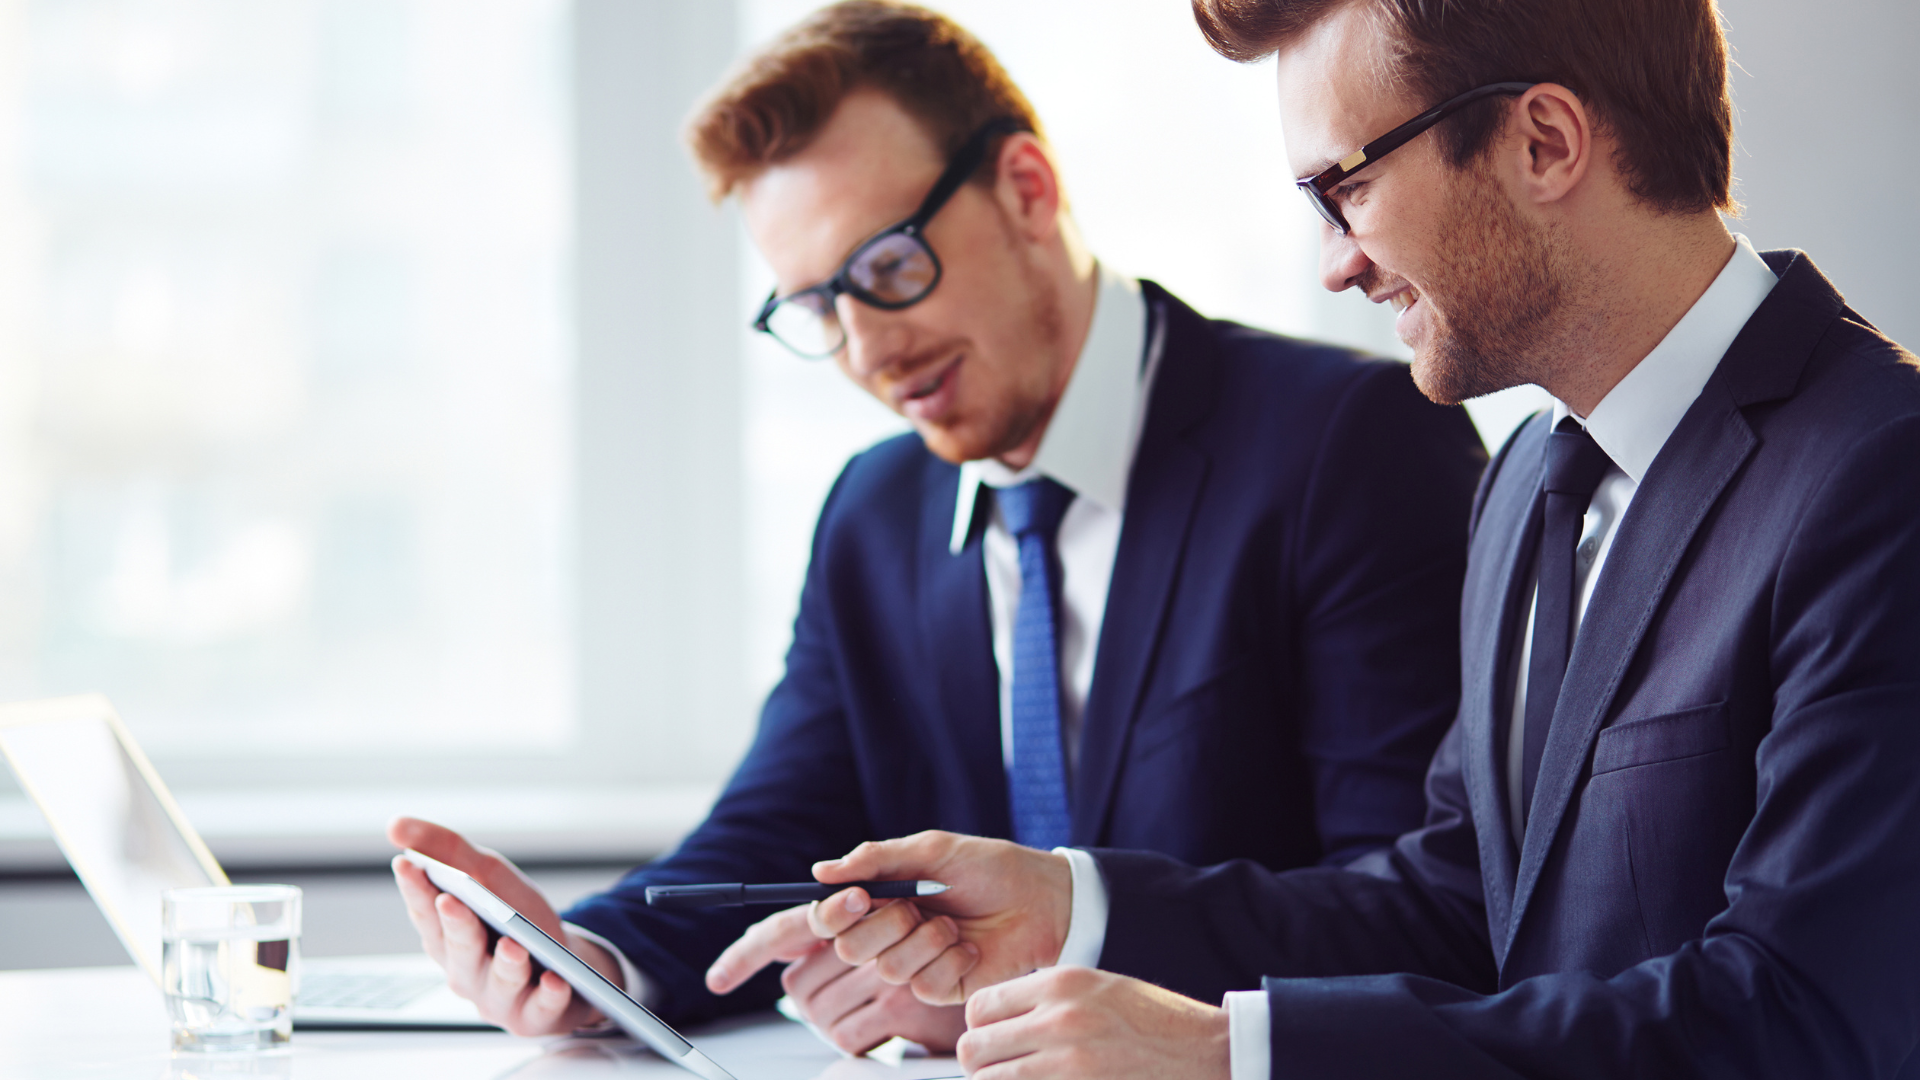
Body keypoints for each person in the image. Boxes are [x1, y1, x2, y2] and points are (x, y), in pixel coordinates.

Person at [789, 0, 1920, 1076]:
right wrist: (1075, 909)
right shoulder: (1531, 480)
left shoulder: (1881, 472)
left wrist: (1232, 1058)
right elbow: (1451, 905)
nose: (1338, 260)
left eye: (1350, 188)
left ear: (1543, 142)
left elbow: (1804, 1015)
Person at [387, 0, 1486, 1055]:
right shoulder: (875, 514)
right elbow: (775, 833)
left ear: (1024, 187)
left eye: (887, 270)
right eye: (819, 307)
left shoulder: (1347, 446)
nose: (868, 352)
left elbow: (1419, 911)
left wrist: (1022, 987)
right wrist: (586, 963)